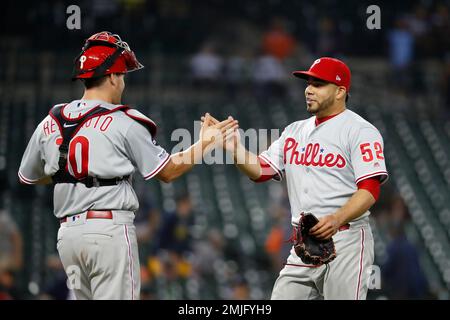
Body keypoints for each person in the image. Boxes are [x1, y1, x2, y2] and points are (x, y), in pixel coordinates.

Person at [17, 31, 237, 300]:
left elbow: (28, 177)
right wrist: (205, 143)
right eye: (122, 76)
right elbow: (168, 171)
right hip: (109, 232)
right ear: (112, 76)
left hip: (68, 237)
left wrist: (72, 174)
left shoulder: (51, 119)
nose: (123, 83)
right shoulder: (124, 120)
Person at [212, 57, 389, 299]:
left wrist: (337, 218)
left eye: (318, 84)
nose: (309, 89)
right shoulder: (294, 131)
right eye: (308, 83)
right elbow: (262, 171)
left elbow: (370, 190)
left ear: (340, 92)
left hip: (346, 240)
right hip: (303, 244)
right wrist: (235, 149)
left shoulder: (360, 130)